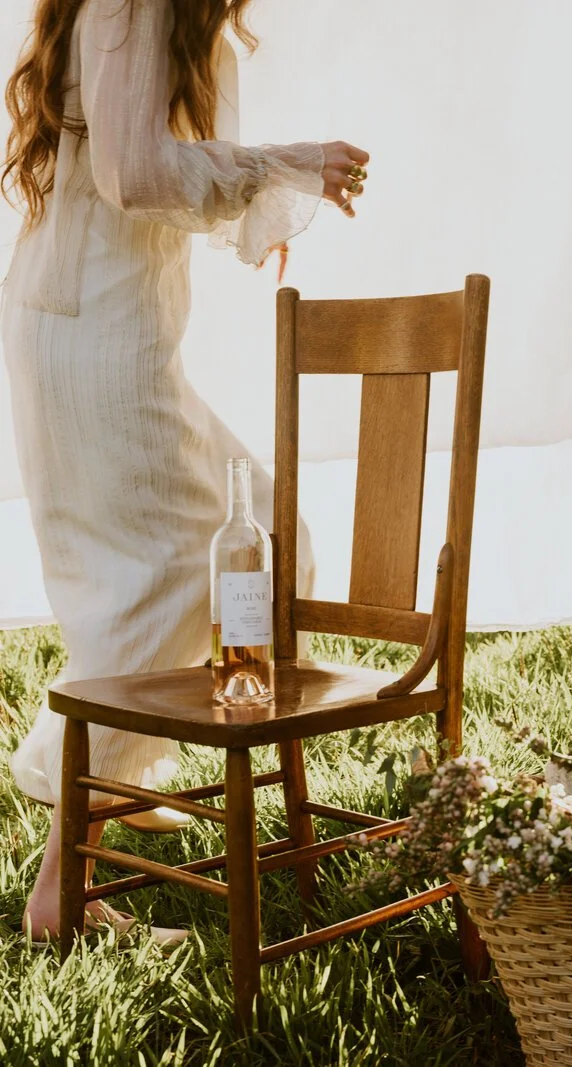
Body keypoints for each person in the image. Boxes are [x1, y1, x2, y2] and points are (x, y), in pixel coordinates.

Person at [1, 0, 369, 943]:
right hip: (98, 331)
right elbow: (135, 175)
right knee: (169, 571)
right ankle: (64, 891)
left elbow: (131, 167)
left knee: (253, 532)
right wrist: (280, 167)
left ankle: (109, 785)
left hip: (88, 317)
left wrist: (260, 193)